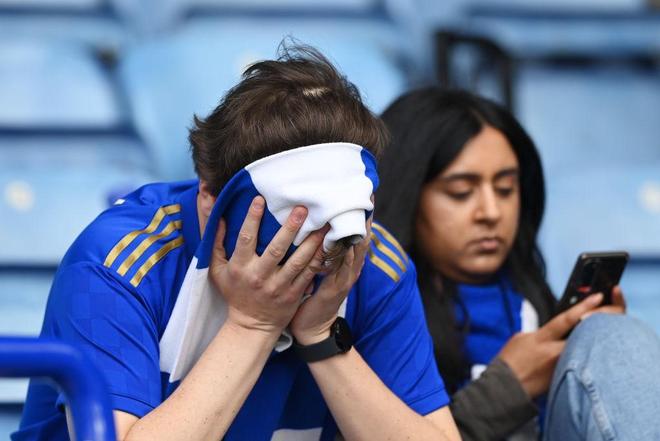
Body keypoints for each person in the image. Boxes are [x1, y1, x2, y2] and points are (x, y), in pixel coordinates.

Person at [13, 47, 461, 441]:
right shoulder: (116, 262)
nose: (316, 252)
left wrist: (322, 337)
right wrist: (253, 324)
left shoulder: (369, 261)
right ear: (209, 197)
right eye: (291, 225)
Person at [375, 88, 660, 441]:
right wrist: (507, 389)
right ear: (407, 197)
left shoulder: (534, 305)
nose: (491, 212)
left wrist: (590, 352)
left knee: (612, 336)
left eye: (506, 189)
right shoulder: (369, 313)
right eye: (461, 192)